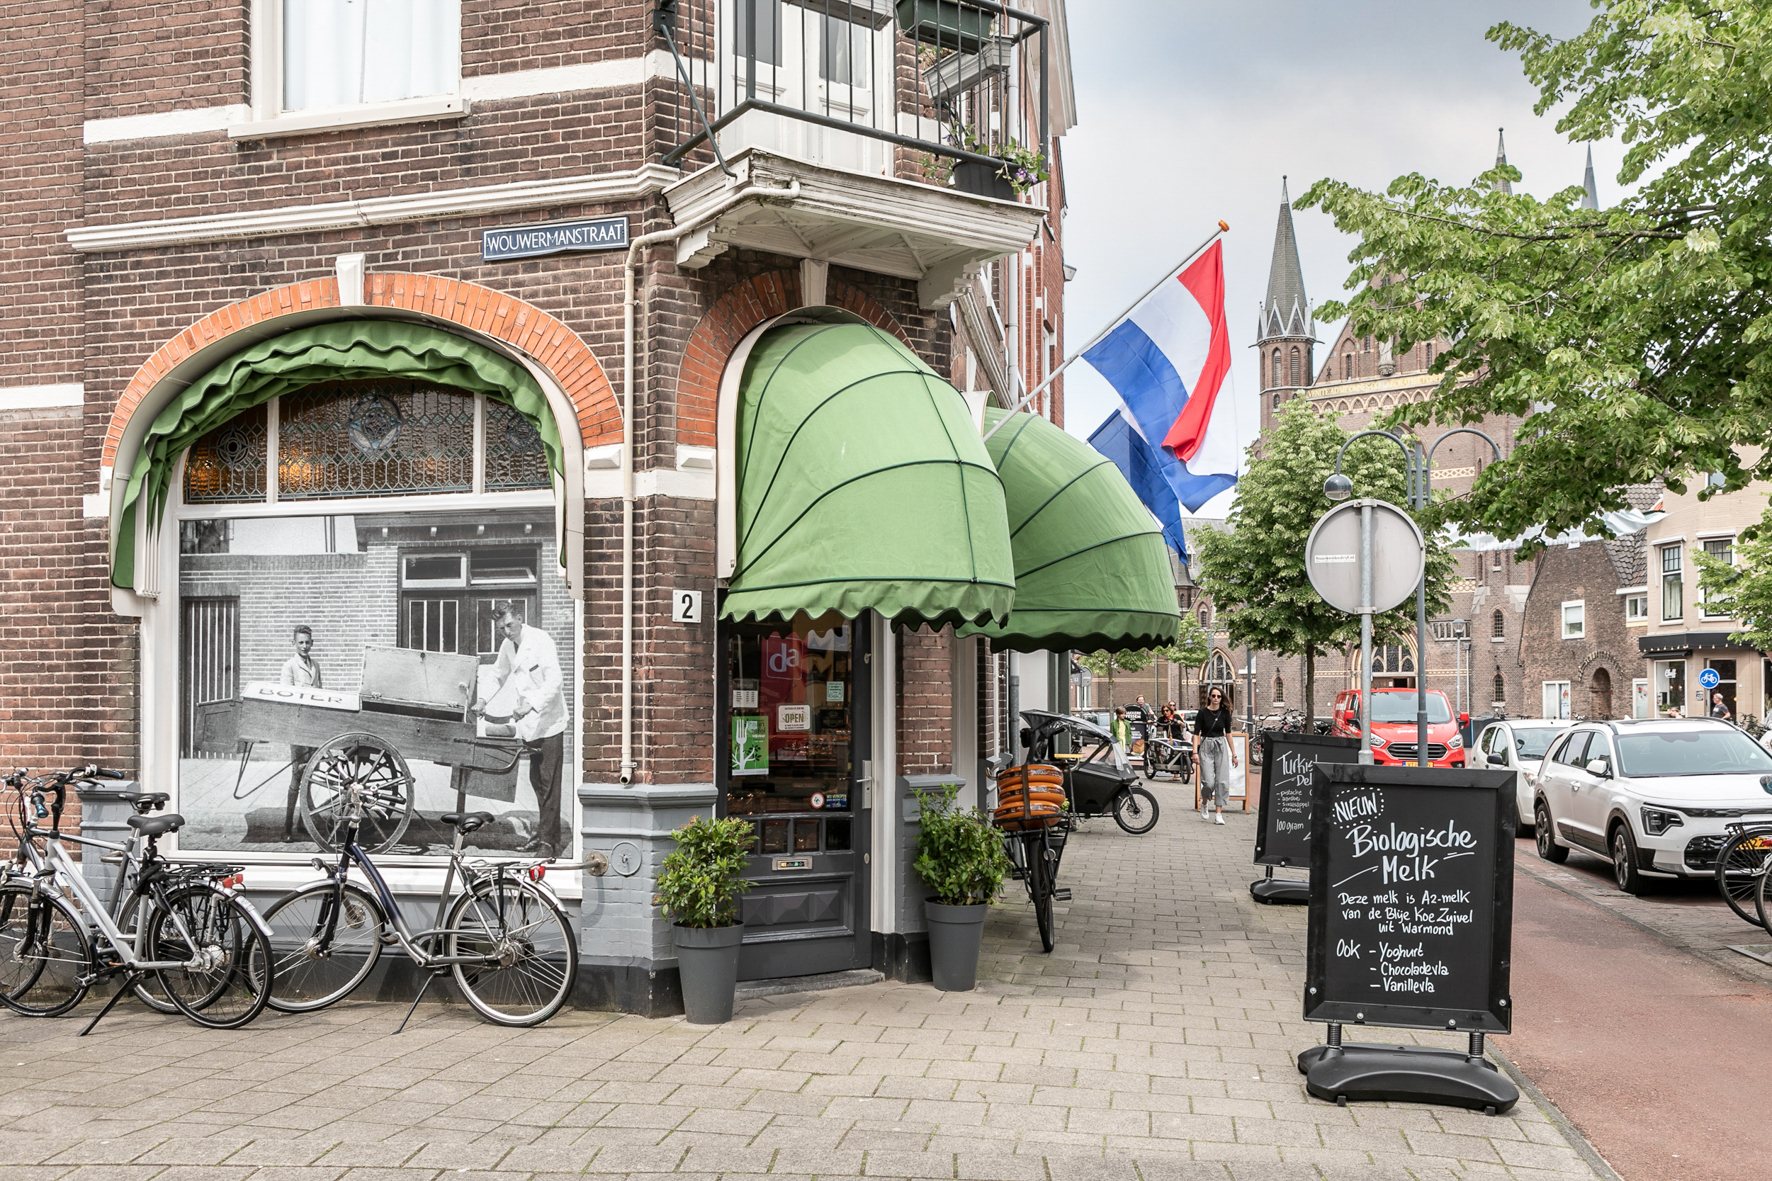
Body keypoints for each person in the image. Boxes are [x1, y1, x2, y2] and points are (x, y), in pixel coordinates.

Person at [484, 604, 568, 855]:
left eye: (510, 625)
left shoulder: (541, 640)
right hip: (530, 725)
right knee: (537, 782)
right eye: (501, 629)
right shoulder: (507, 646)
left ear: (520, 618)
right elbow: (498, 674)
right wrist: (482, 700)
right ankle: (544, 834)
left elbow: (555, 681)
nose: (506, 632)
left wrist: (530, 704)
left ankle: (548, 843)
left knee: (549, 783)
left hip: (550, 721)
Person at [279, 624, 323, 842]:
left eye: (307, 642)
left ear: (312, 643)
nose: (305, 646)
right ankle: (287, 828)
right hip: (297, 728)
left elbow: (321, 694)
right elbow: (286, 696)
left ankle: (303, 822)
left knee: (310, 775)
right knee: (297, 776)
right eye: (301, 642)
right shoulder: (289, 666)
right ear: (294, 643)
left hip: (312, 727)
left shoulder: (316, 665)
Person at [1193, 686, 1239, 825]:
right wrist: (1195, 752)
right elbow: (1196, 734)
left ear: (1221, 698)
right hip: (1206, 745)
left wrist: (1234, 754)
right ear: (1209, 697)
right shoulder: (1202, 713)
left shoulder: (1225, 713)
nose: (1216, 699)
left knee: (1222, 781)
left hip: (1220, 745)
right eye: (1213, 696)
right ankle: (1204, 802)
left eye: (1218, 696)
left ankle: (1218, 814)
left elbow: (1228, 734)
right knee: (1208, 782)